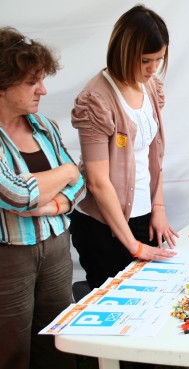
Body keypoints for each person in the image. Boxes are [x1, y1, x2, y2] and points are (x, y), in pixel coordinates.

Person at [70, 4, 178, 291]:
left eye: (159, 59)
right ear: (124, 52)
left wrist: (158, 206)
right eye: (145, 60)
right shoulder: (96, 99)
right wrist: (132, 244)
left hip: (143, 216)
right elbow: (97, 181)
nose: (153, 68)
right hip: (105, 228)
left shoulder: (151, 86)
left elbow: (154, 156)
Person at [0, 27, 86, 369]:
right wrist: (65, 173)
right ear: (3, 84)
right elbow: (18, 195)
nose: (43, 90)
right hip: (9, 258)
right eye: (32, 82)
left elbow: (79, 183)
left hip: (56, 248)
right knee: (11, 349)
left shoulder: (44, 126)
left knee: (57, 341)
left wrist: (56, 199)